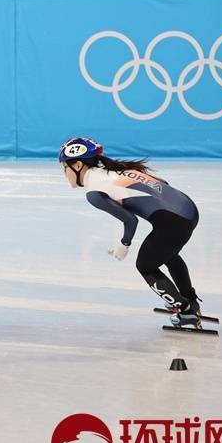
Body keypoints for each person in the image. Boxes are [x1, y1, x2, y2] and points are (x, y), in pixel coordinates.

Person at [58, 137, 203, 328]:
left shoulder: (94, 191)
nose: (64, 173)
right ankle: (190, 299)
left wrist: (124, 244)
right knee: (169, 254)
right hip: (188, 209)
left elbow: (130, 220)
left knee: (145, 266)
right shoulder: (116, 170)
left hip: (173, 222)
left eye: (64, 168)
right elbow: (162, 182)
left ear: (77, 165)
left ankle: (184, 310)